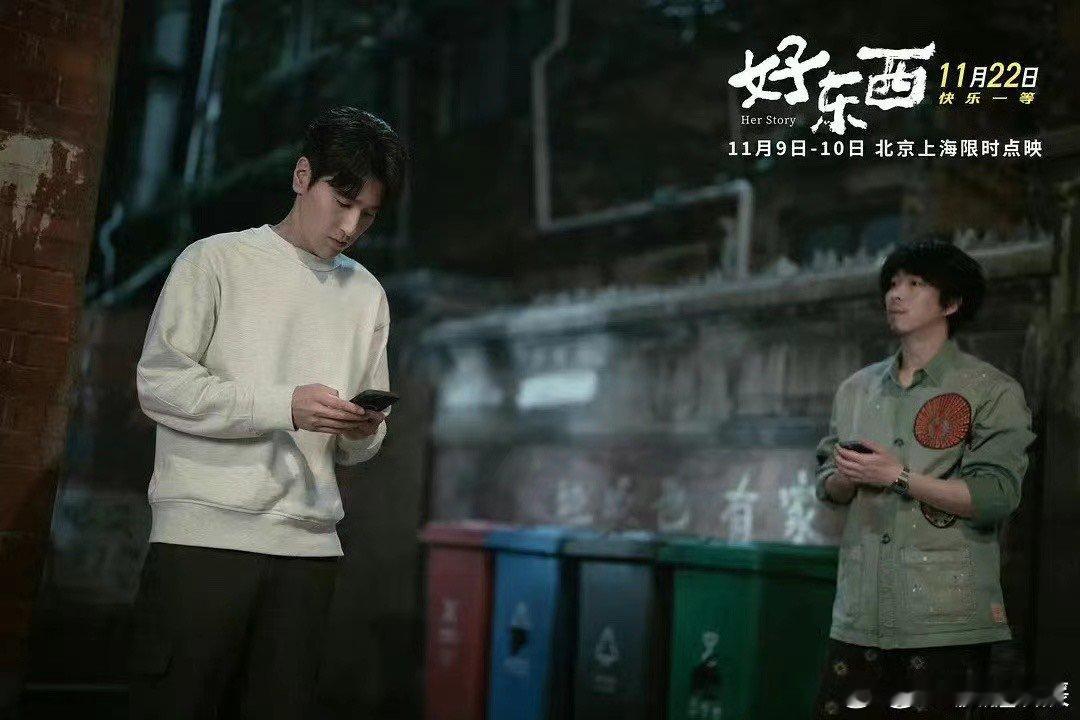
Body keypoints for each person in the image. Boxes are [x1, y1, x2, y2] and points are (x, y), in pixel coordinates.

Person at [128, 106, 408, 719]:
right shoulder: (214, 261)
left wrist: (361, 429)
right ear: (302, 176)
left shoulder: (367, 294)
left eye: (368, 214)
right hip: (202, 539)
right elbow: (160, 385)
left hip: (309, 551)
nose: (350, 227)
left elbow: (360, 449)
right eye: (343, 202)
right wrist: (284, 406)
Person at [812, 240, 1035, 718]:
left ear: (950, 303)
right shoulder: (855, 389)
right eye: (892, 284)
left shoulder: (991, 390)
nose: (896, 295)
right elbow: (827, 484)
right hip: (859, 614)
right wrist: (847, 477)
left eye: (915, 284)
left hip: (944, 619)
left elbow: (996, 496)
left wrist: (897, 476)